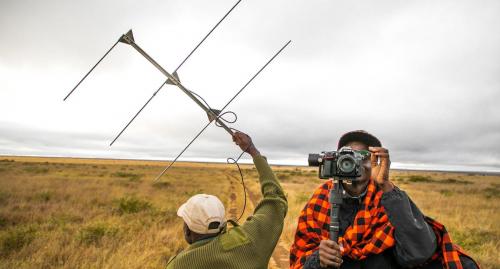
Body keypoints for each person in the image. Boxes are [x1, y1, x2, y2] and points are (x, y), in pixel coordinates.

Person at [289, 130, 479, 269]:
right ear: (335, 162)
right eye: (346, 157)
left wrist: (386, 186)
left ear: (376, 162)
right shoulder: (320, 200)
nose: (353, 163)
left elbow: (420, 252)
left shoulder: (389, 198)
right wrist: (318, 260)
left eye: (364, 156)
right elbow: (300, 259)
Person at [166, 131, 288, 269]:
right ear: (222, 224)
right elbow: (276, 198)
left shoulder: (179, 265)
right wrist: (253, 151)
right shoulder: (249, 240)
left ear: (187, 231)